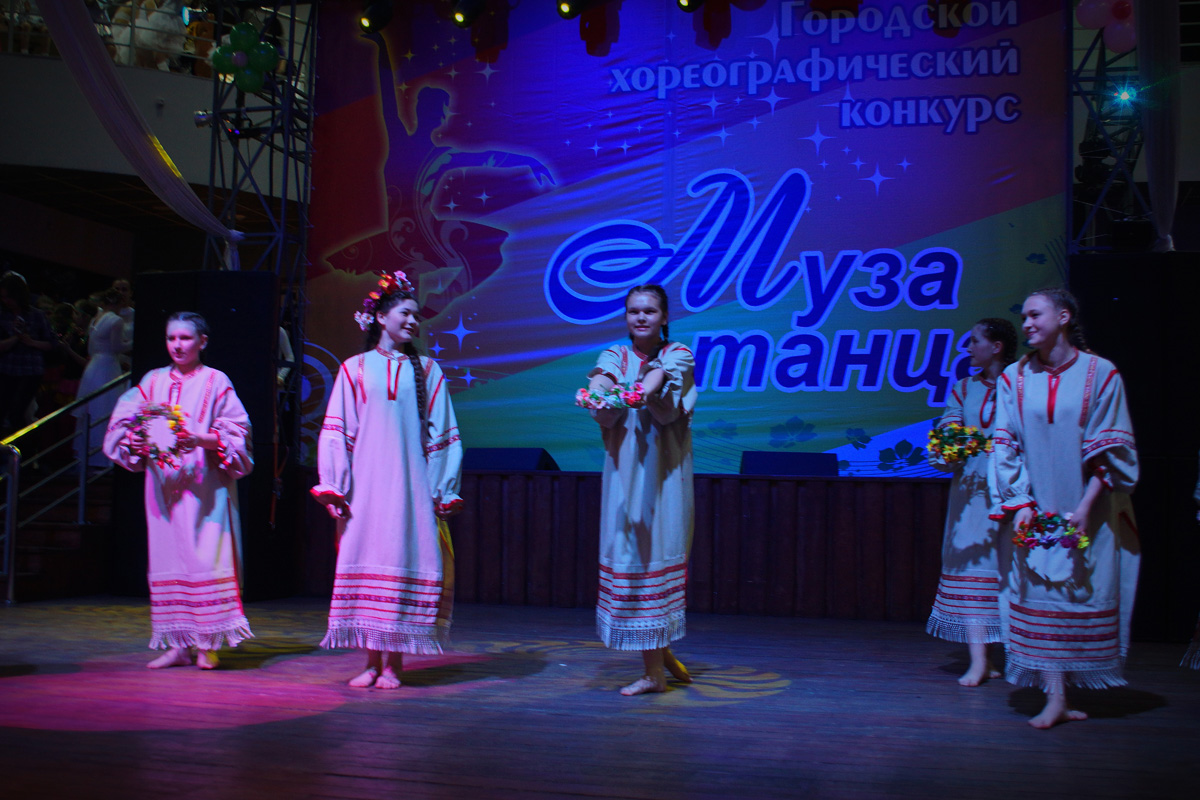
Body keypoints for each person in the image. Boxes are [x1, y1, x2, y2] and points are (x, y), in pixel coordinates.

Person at [991, 287, 1140, 728]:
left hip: (1089, 507)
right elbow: (1005, 444)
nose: (1027, 324)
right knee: (1041, 593)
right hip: (1037, 510)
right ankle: (1054, 696)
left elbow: (1111, 449)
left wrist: (1085, 507)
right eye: (1023, 317)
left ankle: (1066, 693)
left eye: (1035, 315)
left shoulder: (1101, 373)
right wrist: (1020, 502)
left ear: (1063, 317)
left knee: (1078, 593)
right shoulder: (1014, 378)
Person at [311, 271, 463, 689]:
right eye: (405, 313)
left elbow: (444, 433)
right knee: (368, 559)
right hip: (367, 487)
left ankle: (393, 664)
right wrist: (335, 486)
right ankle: (370, 662)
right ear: (381, 317)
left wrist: (440, 488)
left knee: (402, 558)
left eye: (416, 315)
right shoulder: (355, 368)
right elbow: (338, 430)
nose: (413, 321)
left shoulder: (427, 370)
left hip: (410, 488)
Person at [104, 312, 254, 669]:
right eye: (171, 338)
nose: (177, 345)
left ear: (202, 341)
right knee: (168, 557)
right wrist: (135, 440)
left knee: (206, 558)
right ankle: (178, 644)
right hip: (163, 488)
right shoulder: (153, 381)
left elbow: (238, 432)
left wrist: (198, 438)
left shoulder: (216, 381)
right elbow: (126, 423)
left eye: (185, 338)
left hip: (205, 488)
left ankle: (207, 643)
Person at [584, 285, 696, 695]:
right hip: (625, 477)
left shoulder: (678, 354)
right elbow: (602, 378)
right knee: (632, 558)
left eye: (649, 311)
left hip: (663, 479)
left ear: (664, 317)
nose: (641, 317)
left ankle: (654, 673)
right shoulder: (615, 355)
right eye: (634, 311)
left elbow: (656, 383)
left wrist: (638, 393)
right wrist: (597, 393)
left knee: (652, 559)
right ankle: (658, 659)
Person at [927, 318, 1018, 686]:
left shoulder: (1023, 385)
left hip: (1015, 492)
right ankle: (979, 660)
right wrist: (950, 442)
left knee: (1009, 570)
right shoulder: (965, 388)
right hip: (972, 497)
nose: (968, 349)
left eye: (975, 341)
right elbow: (948, 427)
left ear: (996, 347)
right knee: (972, 568)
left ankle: (1018, 656)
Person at [74, 289, 131, 466]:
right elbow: (117, 347)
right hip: (108, 366)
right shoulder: (116, 320)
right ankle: (103, 458)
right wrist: (136, 341)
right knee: (106, 406)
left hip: (94, 365)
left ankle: (88, 455)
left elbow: (92, 347)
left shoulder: (96, 318)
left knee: (93, 407)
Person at [0, 270, 54, 436]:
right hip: (6, 368)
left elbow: (52, 344)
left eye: (9, 297)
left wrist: (31, 342)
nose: (6, 301)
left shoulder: (37, 315)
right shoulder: (2, 315)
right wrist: (16, 337)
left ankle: (23, 448)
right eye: (3, 297)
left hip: (30, 371)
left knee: (17, 413)